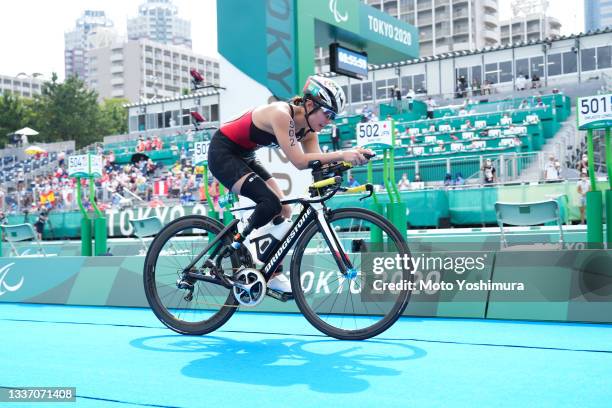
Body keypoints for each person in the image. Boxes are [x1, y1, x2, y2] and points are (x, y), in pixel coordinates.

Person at [207, 75, 373, 293]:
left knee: (284, 209)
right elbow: (299, 162)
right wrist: (343, 153)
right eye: (328, 114)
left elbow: (317, 164)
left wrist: (346, 163)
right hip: (223, 153)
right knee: (269, 203)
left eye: (333, 117)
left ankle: (271, 272)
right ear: (311, 104)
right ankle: (237, 248)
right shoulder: (281, 114)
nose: (330, 121)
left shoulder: (309, 131)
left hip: (245, 155)